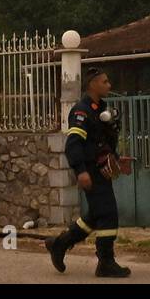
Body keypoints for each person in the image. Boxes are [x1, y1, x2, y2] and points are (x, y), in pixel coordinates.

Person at [45, 67, 132, 278]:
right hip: (91, 171)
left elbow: (102, 143)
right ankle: (106, 262)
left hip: (102, 170)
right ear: (92, 84)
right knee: (108, 213)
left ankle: (60, 243)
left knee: (96, 215)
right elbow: (73, 145)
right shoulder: (81, 111)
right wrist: (81, 171)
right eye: (105, 82)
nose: (109, 85)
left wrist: (118, 160)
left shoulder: (100, 109)